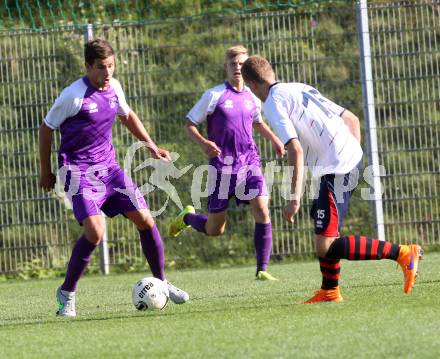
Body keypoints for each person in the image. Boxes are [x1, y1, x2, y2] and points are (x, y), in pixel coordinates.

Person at [240, 55, 423, 302]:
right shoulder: (300, 87)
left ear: (252, 84)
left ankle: (402, 253)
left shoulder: (272, 103)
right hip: (349, 159)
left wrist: (294, 199)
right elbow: (351, 119)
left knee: (325, 245)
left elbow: (294, 149)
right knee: (321, 223)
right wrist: (347, 156)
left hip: (338, 169)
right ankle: (329, 290)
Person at [38, 38, 189, 317]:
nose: (107, 73)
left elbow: (127, 115)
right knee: (95, 231)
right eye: (100, 67)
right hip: (77, 171)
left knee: (146, 219)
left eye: (111, 66)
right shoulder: (72, 96)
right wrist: (46, 170)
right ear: (87, 67)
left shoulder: (114, 87)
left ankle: (163, 283)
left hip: (109, 169)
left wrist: (151, 146)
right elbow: (46, 128)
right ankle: (67, 293)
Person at [168, 45, 285, 280]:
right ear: (226, 67)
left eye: (242, 64)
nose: (238, 68)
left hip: (250, 162)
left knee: (262, 209)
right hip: (222, 168)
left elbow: (257, 122)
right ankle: (188, 218)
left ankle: (262, 269)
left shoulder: (253, 96)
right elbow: (189, 124)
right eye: (233, 64)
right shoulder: (214, 95)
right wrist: (203, 144)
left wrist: (275, 139)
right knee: (215, 229)